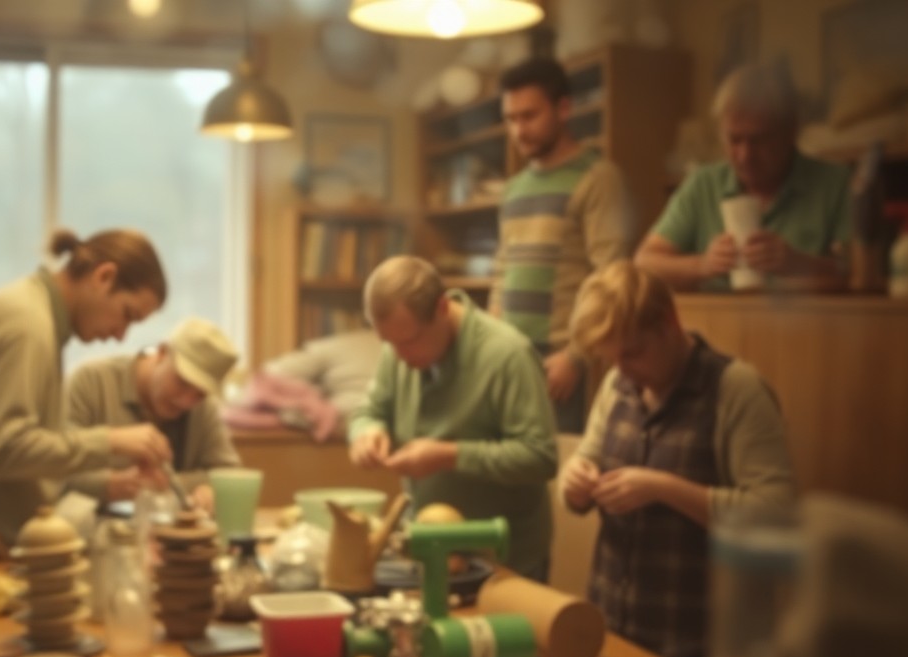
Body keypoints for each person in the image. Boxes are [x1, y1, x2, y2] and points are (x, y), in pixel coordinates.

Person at [0, 228, 174, 613]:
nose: (121, 335)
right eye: (127, 315)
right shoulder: (27, 325)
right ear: (103, 277)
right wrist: (112, 441)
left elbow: (38, 442)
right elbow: (4, 449)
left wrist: (107, 479)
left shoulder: (38, 317)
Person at [558, 261, 795, 657]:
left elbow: (775, 513)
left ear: (669, 322)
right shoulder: (619, 383)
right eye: (610, 359)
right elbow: (587, 461)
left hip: (702, 651)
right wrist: (574, 480)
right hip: (612, 635)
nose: (622, 370)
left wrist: (663, 488)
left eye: (632, 353)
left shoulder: (735, 389)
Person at [348, 256, 558, 581]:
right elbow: (368, 411)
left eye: (408, 342)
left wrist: (449, 456)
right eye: (388, 343)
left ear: (442, 309)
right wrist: (366, 432)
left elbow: (540, 456)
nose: (399, 356)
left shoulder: (507, 355)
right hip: (431, 551)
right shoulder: (399, 347)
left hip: (506, 562)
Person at [492, 56, 636, 433]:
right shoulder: (514, 188)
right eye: (510, 119)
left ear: (564, 109)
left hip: (561, 362)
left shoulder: (598, 178)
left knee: (560, 474)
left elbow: (613, 277)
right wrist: (489, 344)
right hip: (510, 357)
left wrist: (577, 356)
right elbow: (502, 270)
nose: (519, 130)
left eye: (529, 116)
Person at [634, 62, 851, 293]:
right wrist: (703, 265)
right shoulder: (703, 185)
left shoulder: (835, 184)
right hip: (720, 324)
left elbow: (860, 275)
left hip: (808, 326)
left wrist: (798, 265)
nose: (745, 155)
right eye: (735, 140)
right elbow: (645, 262)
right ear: (721, 134)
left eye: (759, 140)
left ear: (791, 131)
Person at [63, 317, 241, 512]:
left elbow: (230, 475)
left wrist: (207, 489)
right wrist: (111, 484)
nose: (186, 401)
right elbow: (52, 470)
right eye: (182, 382)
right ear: (162, 352)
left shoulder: (205, 407)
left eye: (200, 393)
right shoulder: (90, 382)